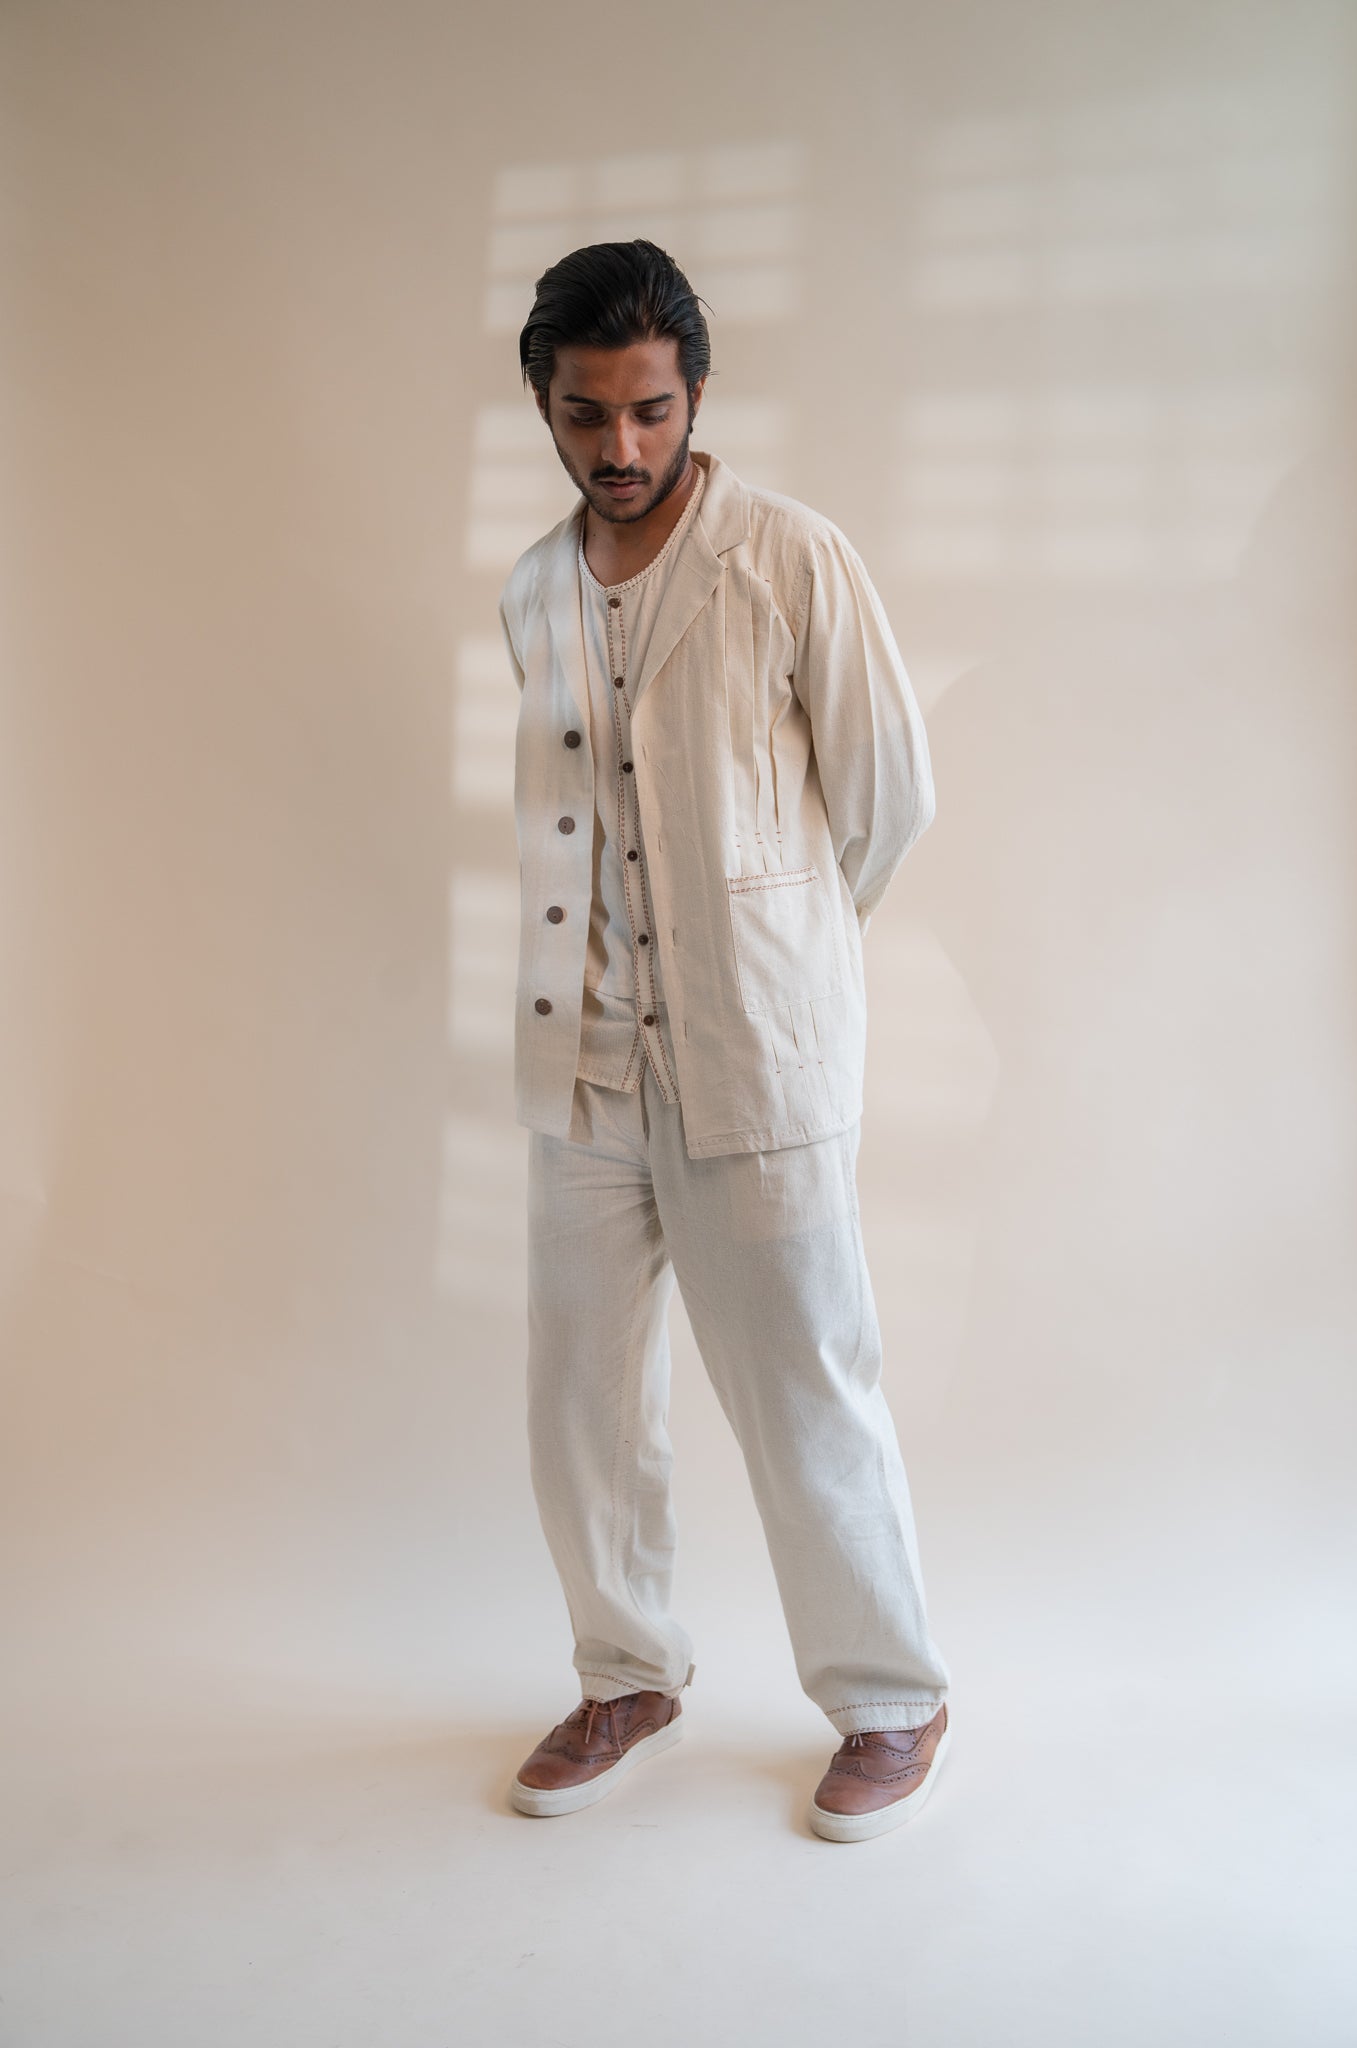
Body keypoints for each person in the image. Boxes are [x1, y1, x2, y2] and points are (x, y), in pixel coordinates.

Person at [496, 239, 952, 1842]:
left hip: (753, 1055)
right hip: (581, 1061)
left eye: (648, 409)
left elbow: (887, 800)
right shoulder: (534, 588)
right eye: (584, 413)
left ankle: (890, 1697)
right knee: (579, 1401)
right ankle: (626, 1673)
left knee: (804, 1382)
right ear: (543, 407)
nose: (618, 445)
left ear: (695, 394)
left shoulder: (790, 558)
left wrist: (776, 950)